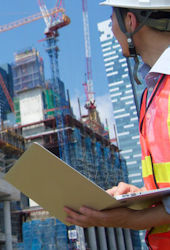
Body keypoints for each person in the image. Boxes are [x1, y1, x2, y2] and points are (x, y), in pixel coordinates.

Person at [64, 0, 170, 249]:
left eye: (113, 19)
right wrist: (141, 196)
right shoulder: (151, 95)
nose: (112, 29)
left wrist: (131, 219)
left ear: (131, 21)